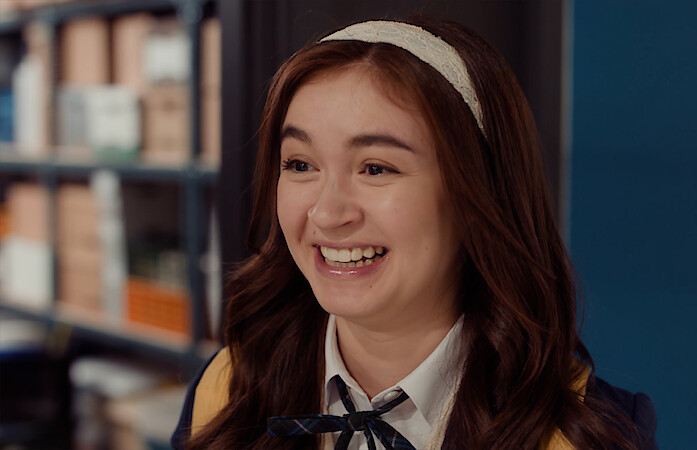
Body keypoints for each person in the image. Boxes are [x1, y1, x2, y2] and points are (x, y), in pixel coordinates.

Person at [172, 17, 657, 450]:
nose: (327, 212)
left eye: (376, 168)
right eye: (300, 164)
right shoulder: (229, 390)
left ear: (479, 194)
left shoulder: (586, 434)